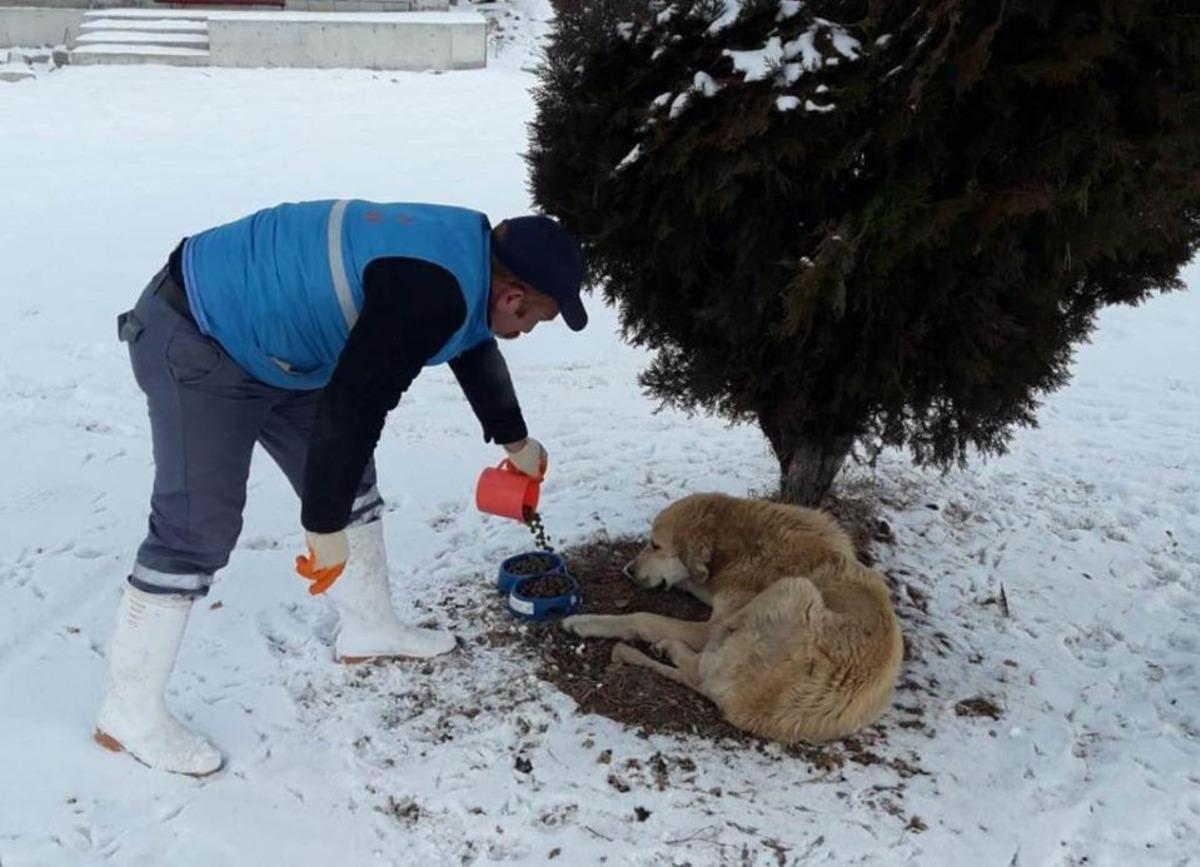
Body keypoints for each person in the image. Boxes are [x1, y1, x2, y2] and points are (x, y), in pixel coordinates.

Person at [95, 200, 586, 776]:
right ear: (512, 297)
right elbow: (355, 407)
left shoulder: (470, 256)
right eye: (535, 320)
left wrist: (514, 439)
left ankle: (369, 627)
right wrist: (321, 526)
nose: (525, 333)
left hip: (280, 347)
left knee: (348, 475)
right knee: (195, 528)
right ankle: (128, 712)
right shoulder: (429, 291)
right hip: (201, 333)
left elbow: (471, 343)